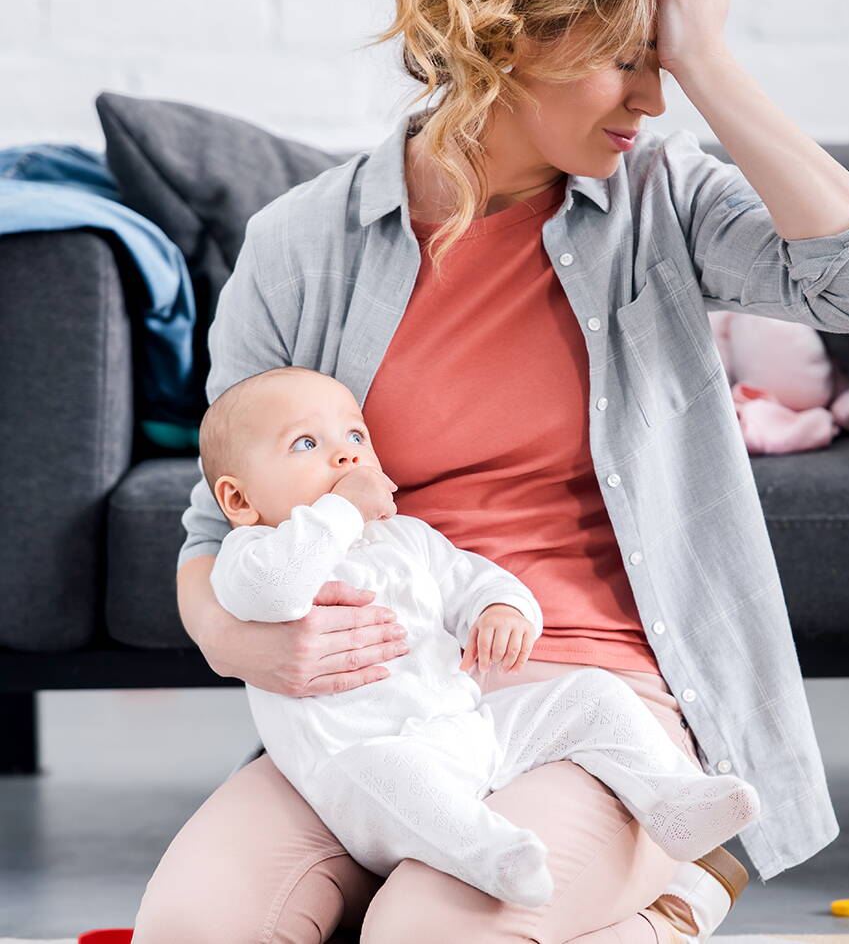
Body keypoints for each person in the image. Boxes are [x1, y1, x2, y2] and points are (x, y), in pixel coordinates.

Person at [133, 0, 849, 944]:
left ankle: (664, 893)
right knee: (193, 929)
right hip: (384, 710)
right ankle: (667, 899)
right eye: (627, 60)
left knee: (427, 933)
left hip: (601, 704)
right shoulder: (300, 244)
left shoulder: (664, 205)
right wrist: (236, 641)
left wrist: (714, 65)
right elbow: (212, 525)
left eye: (667, 62)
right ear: (507, 42)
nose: (654, 96)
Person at [201, 365, 762, 908]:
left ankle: (672, 800)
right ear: (239, 501)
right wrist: (342, 508)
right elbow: (279, 591)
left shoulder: (405, 537)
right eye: (305, 444)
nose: (346, 455)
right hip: (372, 770)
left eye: (355, 435)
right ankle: (494, 856)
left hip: (468, 730)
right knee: (393, 775)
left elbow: (472, 578)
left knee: (591, 696)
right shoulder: (249, 557)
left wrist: (501, 608)